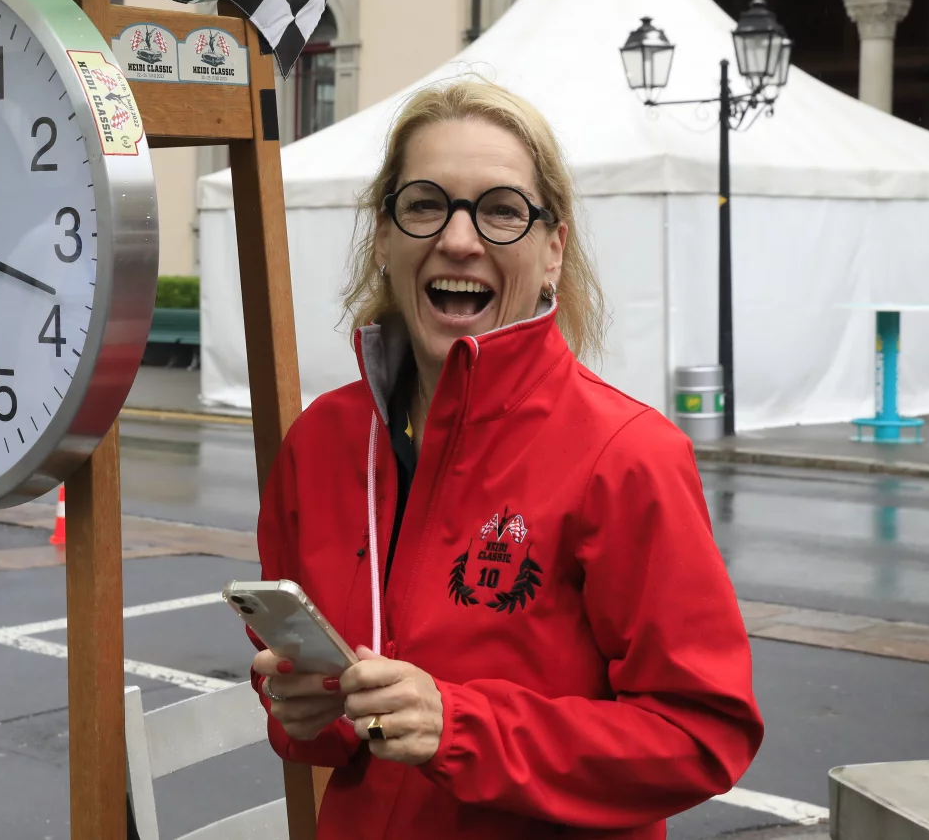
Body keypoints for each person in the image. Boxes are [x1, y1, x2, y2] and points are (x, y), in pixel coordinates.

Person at [248, 78, 763, 839]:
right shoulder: (322, 442)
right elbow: (320, 721)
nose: (459, 239)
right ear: (384, 236)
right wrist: (304, 711)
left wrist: (461, 728)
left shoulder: (626, 455)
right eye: (425, 203)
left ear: (553, 250)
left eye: (501, 210)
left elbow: (701, 734)